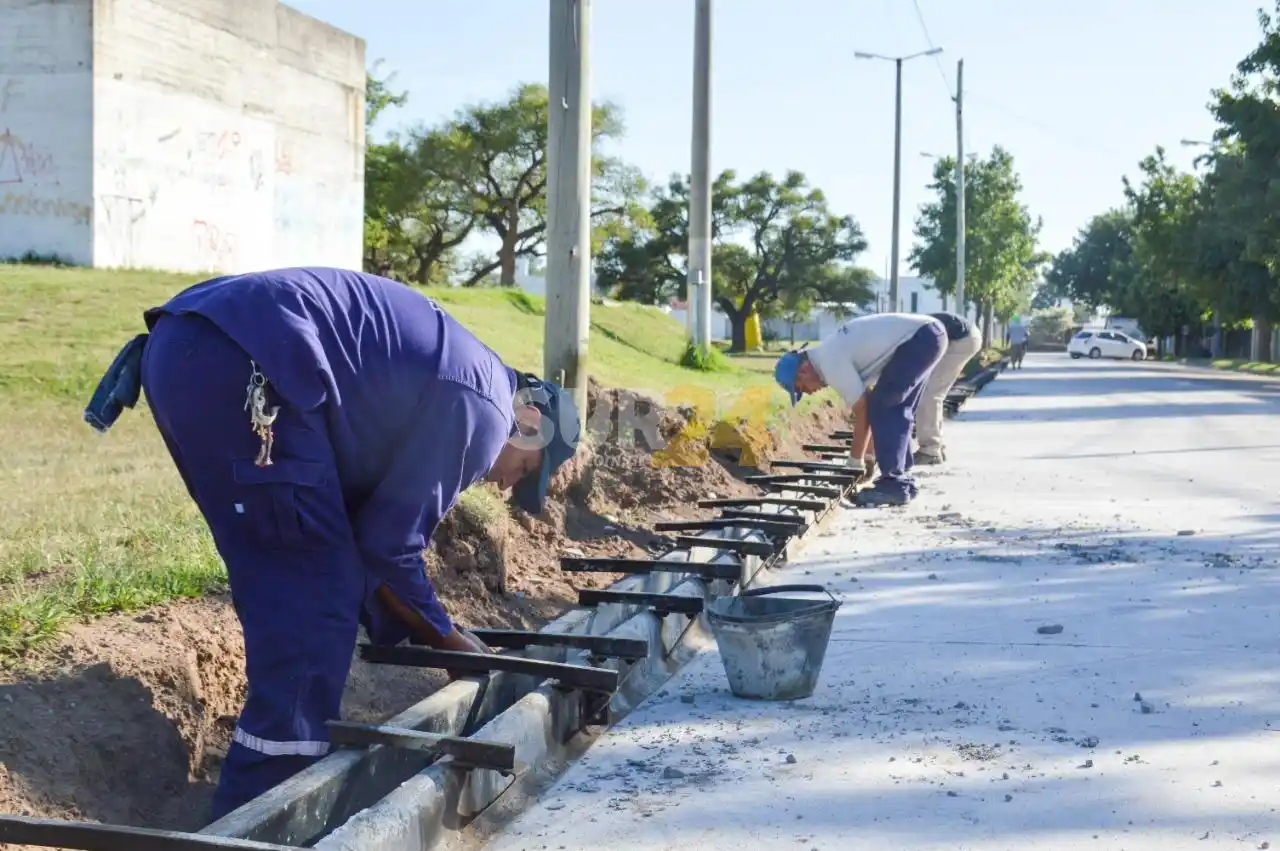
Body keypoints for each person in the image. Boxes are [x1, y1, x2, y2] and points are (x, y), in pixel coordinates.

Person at [82, 267, 581, 820]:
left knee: (298, 570)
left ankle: (267, 790)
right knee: (311, 600)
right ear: (531, 420)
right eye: (528, 470)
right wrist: (449, 644)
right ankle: (265, 818)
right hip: (248, 362)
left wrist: (427, 628)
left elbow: (364, 536)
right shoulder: (484, 408)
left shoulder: (467, 376)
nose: (509, 486)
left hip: (190, 347)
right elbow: (390, 550)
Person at [773, 313, 946, 507]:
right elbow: (870, 406)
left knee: (886, 406)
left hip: (920, 339)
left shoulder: (830, 363)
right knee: (895, 407)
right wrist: (870, 455)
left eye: (802, 388)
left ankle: (894, 485)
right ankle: (901, 480)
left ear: (803, 371)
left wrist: (855, 463)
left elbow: (863, 409)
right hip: (929, 335)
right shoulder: (829, 354)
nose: (810, 392)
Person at [913, 311, 984, 466]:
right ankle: (936, 446)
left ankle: (930, 450)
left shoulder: (908, 332)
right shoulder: (905, 327)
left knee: (929, 393)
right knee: (931, 391)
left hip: (963, 339)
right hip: (963, 335)